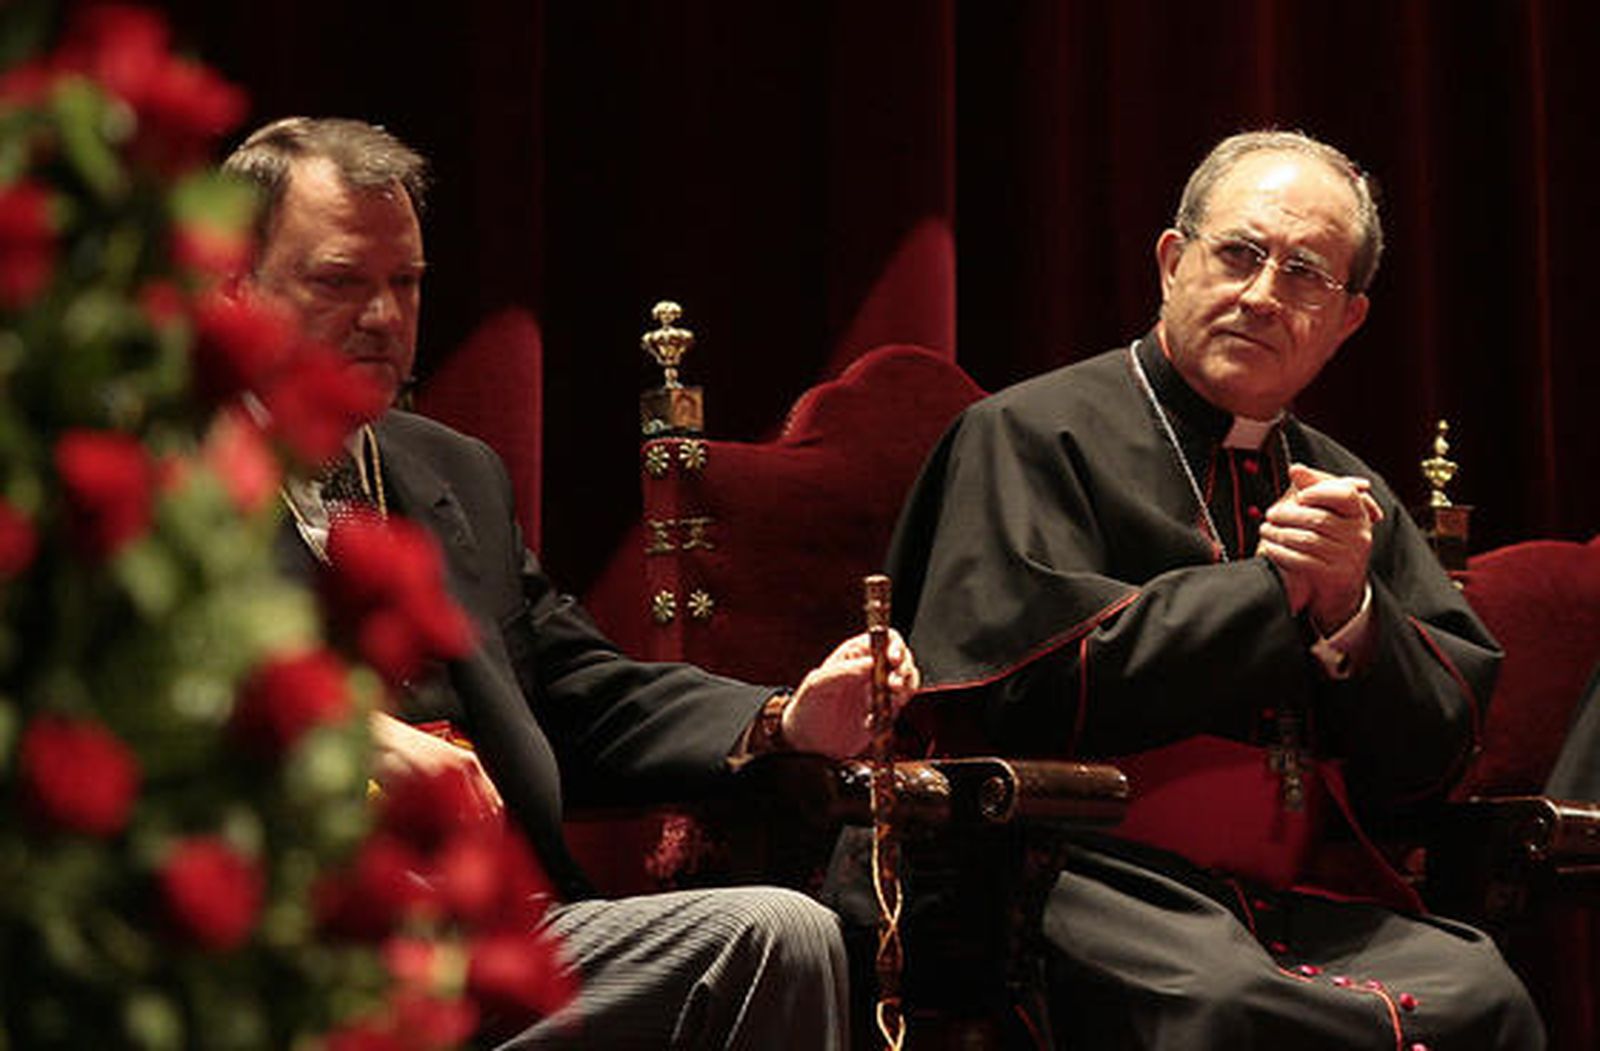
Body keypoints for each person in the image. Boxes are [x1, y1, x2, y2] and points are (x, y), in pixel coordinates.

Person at [223, 116, 919, 1049]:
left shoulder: (450, 474)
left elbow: (587, 693)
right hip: (290, 946)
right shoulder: (163, 478)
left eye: (406, 283)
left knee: (780, 934)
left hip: (503, 940)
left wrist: (787, 717)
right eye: (340, 281)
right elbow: (139, 693)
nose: (385, 317)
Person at [884, 130, 1545, 1048]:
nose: (1264, 295)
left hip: (1292, 898)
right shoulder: (1027, 436)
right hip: (1084, 877)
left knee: (1486, 995)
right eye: (1239, 252)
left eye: (1307, 273)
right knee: (1225, 1009)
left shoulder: (1348, 491)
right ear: (1172, 262)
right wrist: (1270, 592)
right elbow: (1022, 687)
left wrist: (1353, 614)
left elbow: (1434, 755)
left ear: (1348, 319)